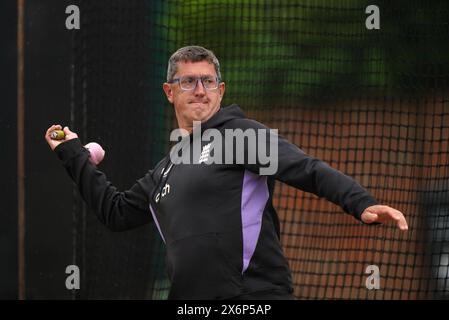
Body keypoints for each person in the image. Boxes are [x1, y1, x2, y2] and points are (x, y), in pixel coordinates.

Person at [45, 45, 408, 300]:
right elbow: (116, 211)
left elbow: (308, 169)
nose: (200, 90)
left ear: (221, 91)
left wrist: (361, 202)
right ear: (170, 92)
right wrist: (71, 153)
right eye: (189, 82)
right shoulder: (164, 171)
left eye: (208, 82)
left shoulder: (240, 135)